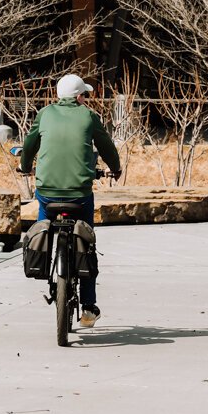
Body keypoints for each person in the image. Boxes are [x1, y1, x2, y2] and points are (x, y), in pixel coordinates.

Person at [18, 73, 122, 327]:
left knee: (43, 226)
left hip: (47, 193)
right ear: (78, 97)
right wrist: (116, 168)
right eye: (85, 95)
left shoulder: (44, 114)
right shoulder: (88, 116)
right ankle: (88, 306)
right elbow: (106, 145)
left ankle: (43, 260)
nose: (85, 99)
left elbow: (30, 144)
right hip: (79, 195)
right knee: (86, 242)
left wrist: (24, 166)